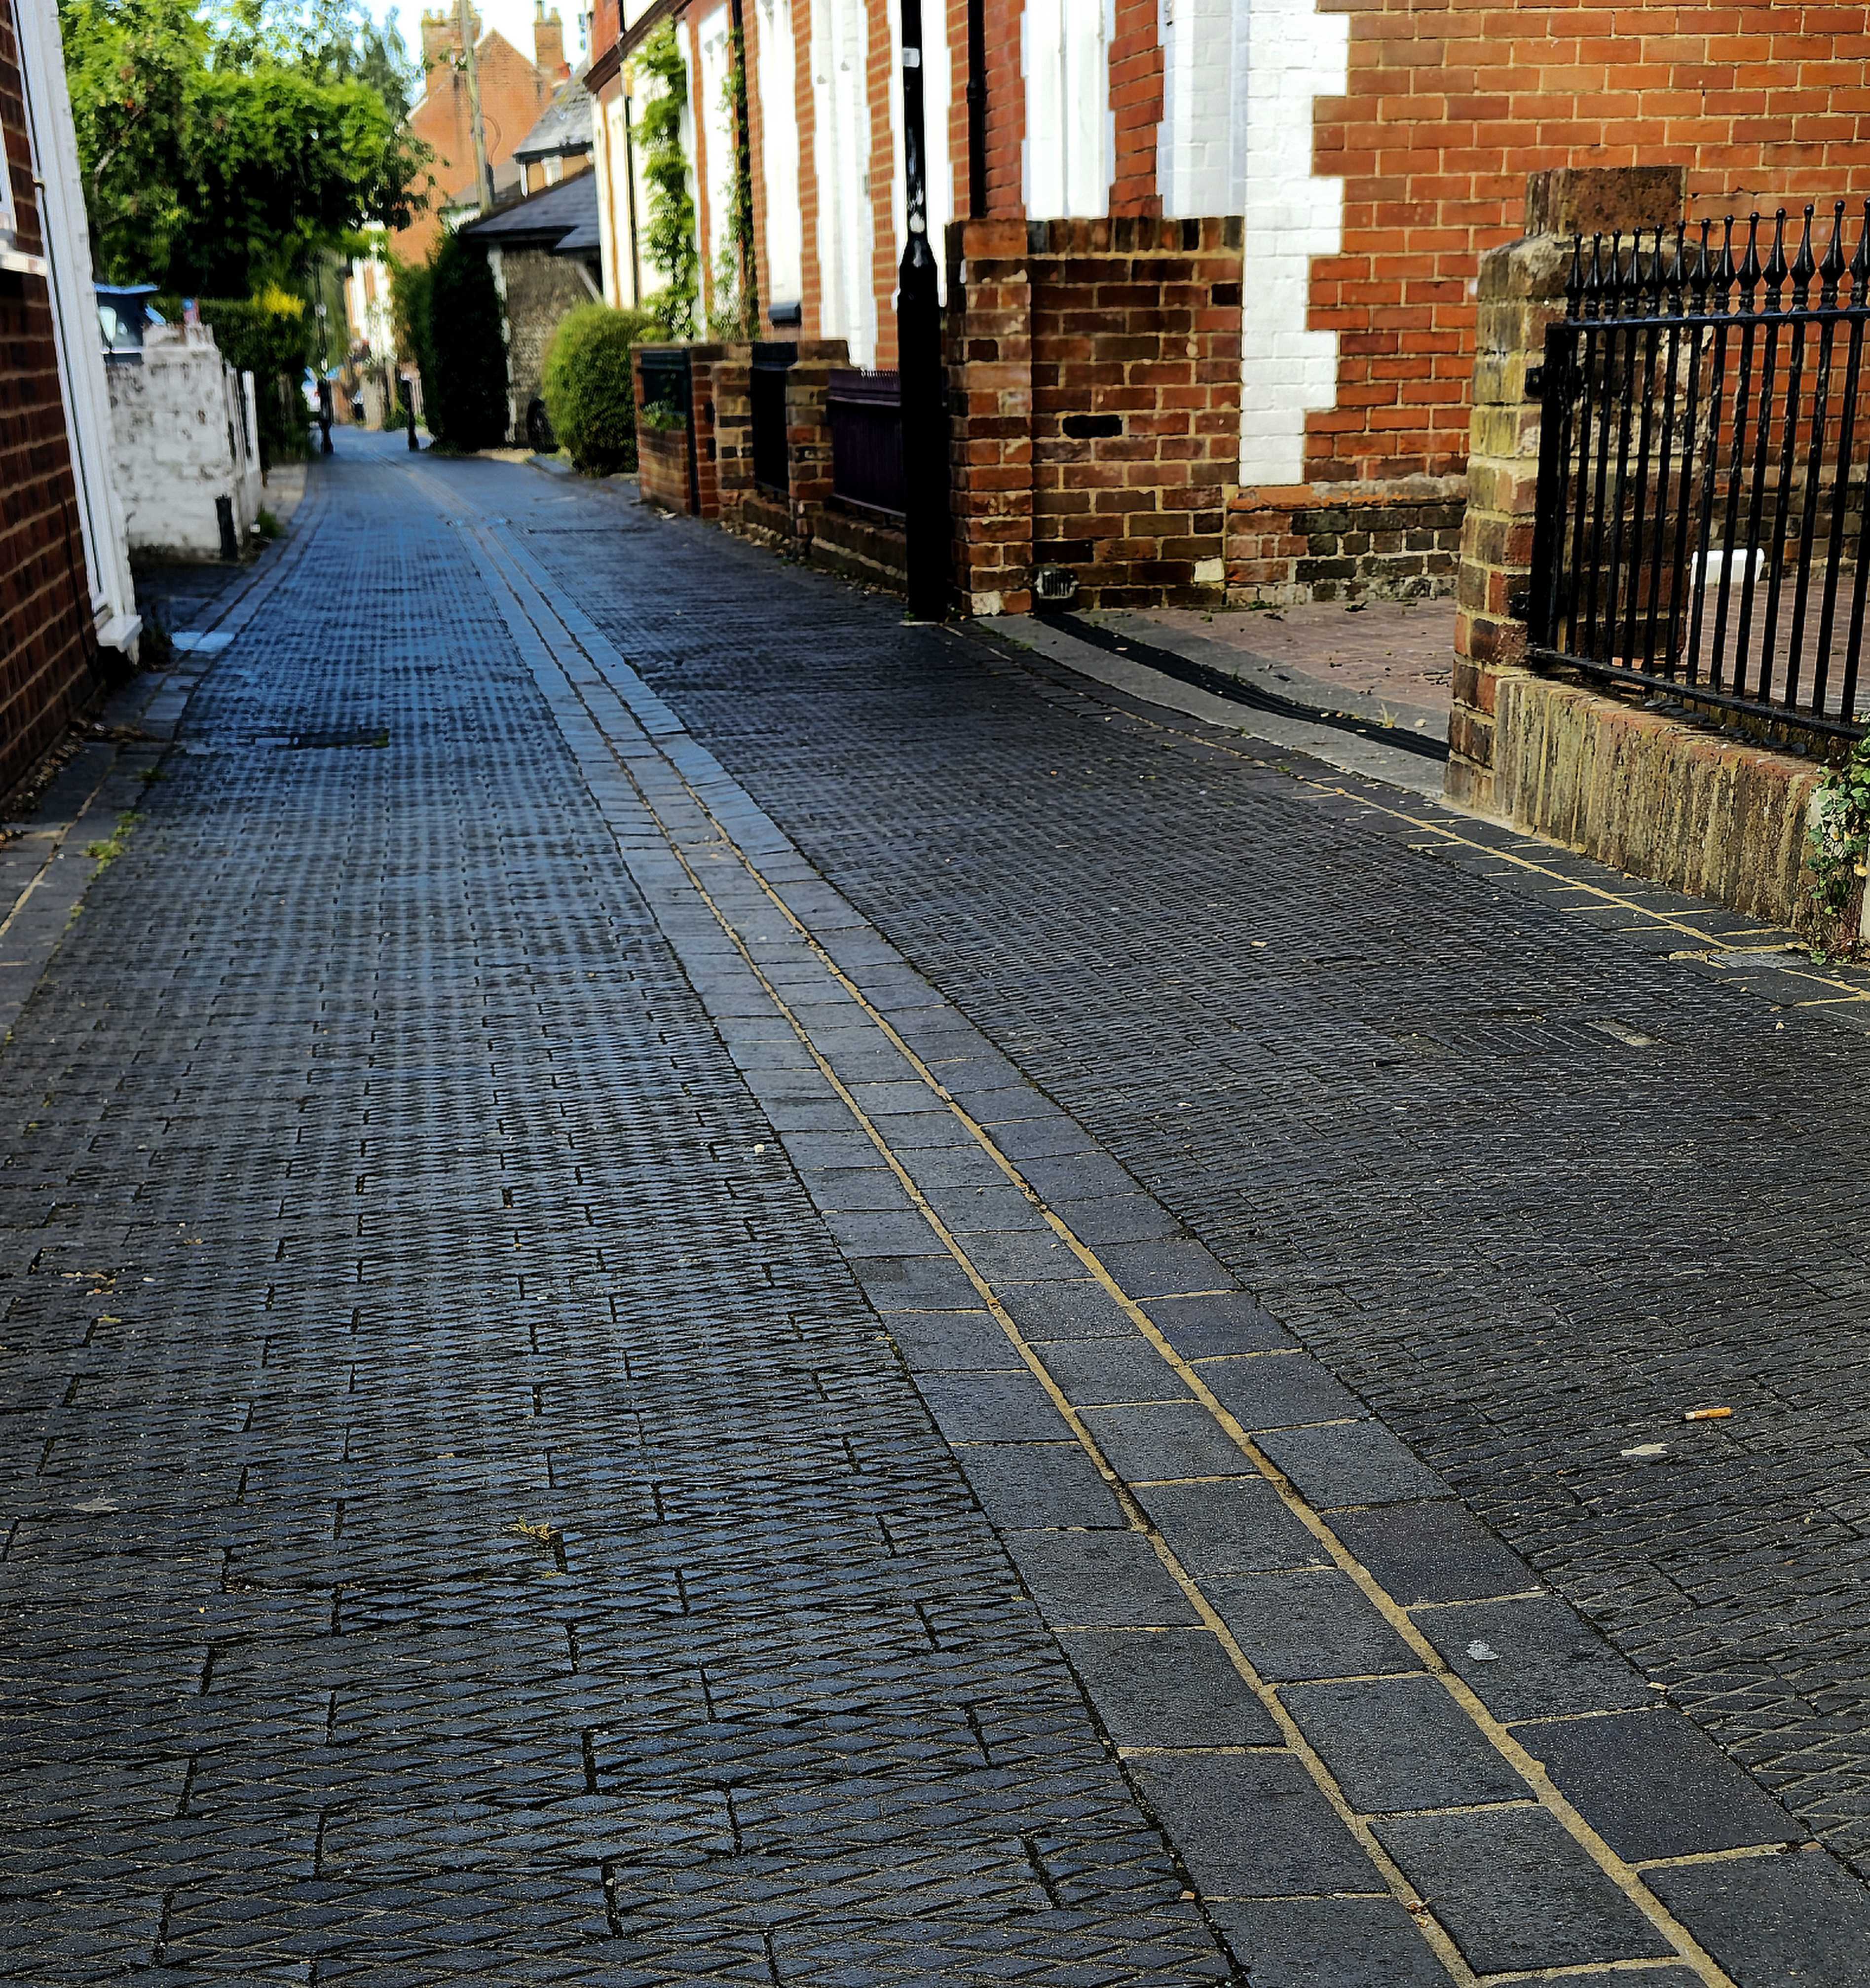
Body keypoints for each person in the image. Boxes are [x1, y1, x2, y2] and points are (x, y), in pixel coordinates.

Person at [317, 374, 335, 455]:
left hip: (325, 413)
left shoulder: (324, 397)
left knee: (325, 430)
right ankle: (327, 446)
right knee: (326, 431)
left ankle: (326, 446)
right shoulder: (327, 396)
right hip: (327, 413)